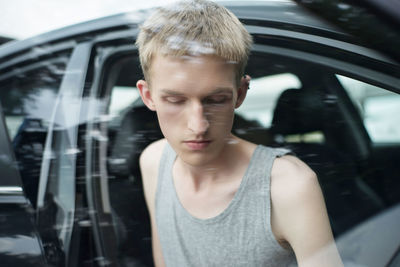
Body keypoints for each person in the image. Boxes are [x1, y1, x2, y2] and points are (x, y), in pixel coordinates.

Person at [135, 0, 343, 266]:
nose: (198, 126)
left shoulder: (288, 186)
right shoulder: (153, 162)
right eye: (175, 101)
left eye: (216, 99)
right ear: (148, 96)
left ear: (241, 94)